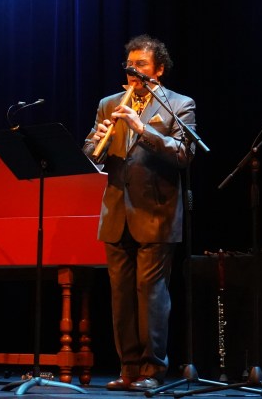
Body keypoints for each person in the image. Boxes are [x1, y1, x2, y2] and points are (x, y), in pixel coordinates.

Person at [82, 34, 197, 392]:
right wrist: (97, 142)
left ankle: (153, 370)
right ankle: (128, 369)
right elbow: (91, 154)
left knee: (151, 295)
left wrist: (141, 127)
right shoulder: (108, 104)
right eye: (130, 65)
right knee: (121, 297)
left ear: (158, 69)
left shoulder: (179, 104)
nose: (133, 71)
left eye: (141, 65)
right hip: (117, 211)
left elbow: (184, 153)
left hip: (157, 213)